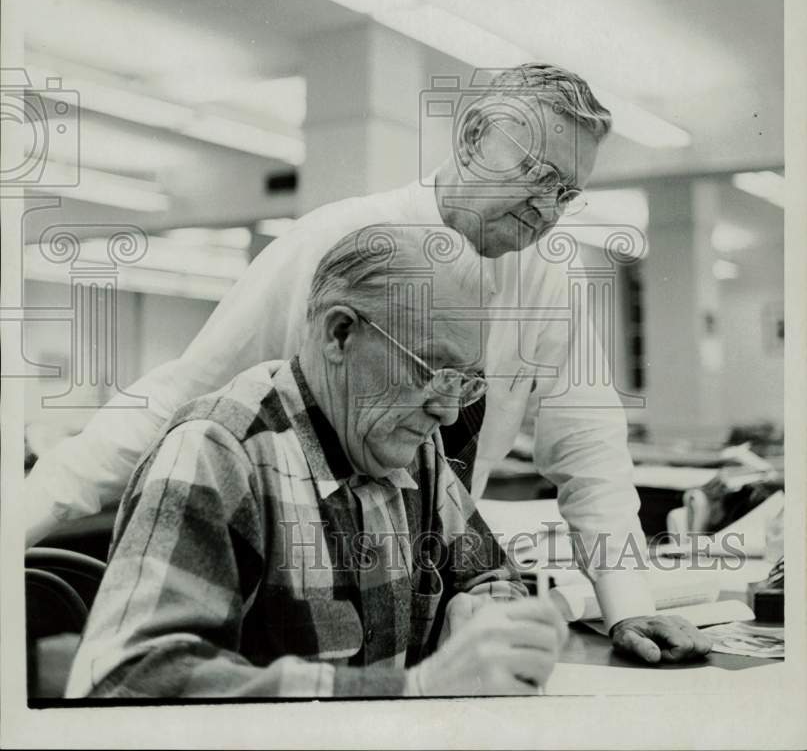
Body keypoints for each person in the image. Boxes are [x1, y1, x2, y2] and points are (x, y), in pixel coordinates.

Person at [28, 62, 711, 664]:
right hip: (300, 591)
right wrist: (20, 517)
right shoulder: (335, 242)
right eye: (535, 173)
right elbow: (179, 393)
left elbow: (588, 447)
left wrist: (626, 602)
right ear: (473, 138)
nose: (547, 210)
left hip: (418, 583)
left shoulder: (545, 279)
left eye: (566, 192)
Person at [66, 226, 568, 698]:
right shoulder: (220, 453)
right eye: (433, 371)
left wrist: (489, 616)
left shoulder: (416, 449)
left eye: (464, 380)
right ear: (340, 334)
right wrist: (414, 690)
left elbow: (491, 575)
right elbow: (124, 679)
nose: (449, 410)